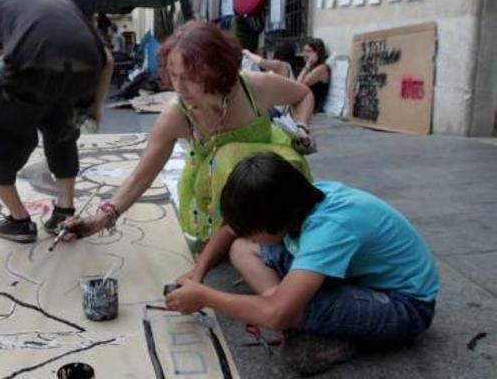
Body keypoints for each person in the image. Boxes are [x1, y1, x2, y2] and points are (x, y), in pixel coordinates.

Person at [165, 152, 440, 374]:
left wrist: (205, 296)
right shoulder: (299, 198)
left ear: (273, 220)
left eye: (253, 229)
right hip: (356, 278)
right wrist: (198, 272)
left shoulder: (329, 229)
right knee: (241, 248)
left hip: (405, 306)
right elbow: (231, 232)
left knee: (283, 314)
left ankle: (305, 316)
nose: (249, 234)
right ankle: (290, 305)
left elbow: (276, 316)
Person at [64, 21, 315, 253]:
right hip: (224, 201)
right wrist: (101, 218)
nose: (180, 88)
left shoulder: (254, 88)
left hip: (268, 181)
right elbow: (141, 176)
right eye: (174, 76)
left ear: (219, 70)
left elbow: (303, 95)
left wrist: (301, 127)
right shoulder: (177, 115)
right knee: (227, 163)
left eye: (191, 78)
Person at [0, 0, 114, 242]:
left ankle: (19, 221)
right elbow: (108, 60)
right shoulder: (62, 5)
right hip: (85, 71)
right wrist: (96, 106)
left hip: (31, 61)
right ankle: (64, 214)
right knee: (62, 129)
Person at [297, 38, 331, 113]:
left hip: (311, 109)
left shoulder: (322, 68)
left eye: (308, 51)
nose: (304, 54)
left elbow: (298, 86)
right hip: (304, 105)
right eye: (304, 50)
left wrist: (307, 65)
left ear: (317, 53)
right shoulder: (311, 68)